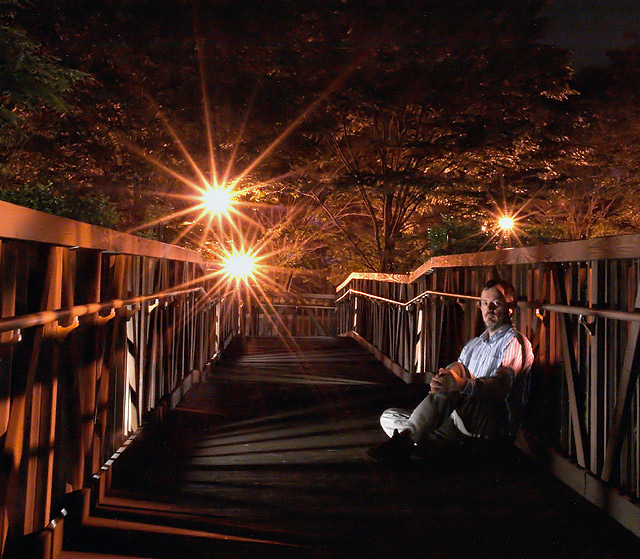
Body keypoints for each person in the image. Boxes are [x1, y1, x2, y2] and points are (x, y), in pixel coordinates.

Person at [367, 278, 534, 461]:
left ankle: (412, 441)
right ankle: (426, 443)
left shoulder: (515, 342)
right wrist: (442, 383)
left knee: (457, 370)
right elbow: (451, 385)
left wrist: (459, 383)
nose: (489, 309)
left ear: (510, 308)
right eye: (485, 303)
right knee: (389, 416)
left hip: (491, 424)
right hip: (459, 419)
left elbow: (500, 389)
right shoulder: (474, 344)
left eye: (496, 303)